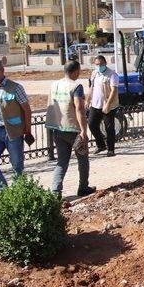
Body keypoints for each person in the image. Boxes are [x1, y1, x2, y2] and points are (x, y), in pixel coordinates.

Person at [0, 59, 32, 191]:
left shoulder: (16, 88)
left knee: (17, 166)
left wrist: (28, 130)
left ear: (2, 71)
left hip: (13, 133)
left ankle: (17, 193)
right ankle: (2, 191)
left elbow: (27, 110)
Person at [46, 60, 94, 198]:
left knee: (62, 161)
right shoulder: (76, 86)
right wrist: (84, 130)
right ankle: (83, 187)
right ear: (75, 71)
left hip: (58, 129)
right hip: (73, 129)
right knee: (83, 159)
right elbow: (79, 108)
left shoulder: (54, 85)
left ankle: (55, 191)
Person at [87, 55, 119, 157]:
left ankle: (111, 149)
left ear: (105, 63)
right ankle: (101, 144)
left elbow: (114, 90)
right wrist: (88, 99)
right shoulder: (95, 73)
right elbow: (92, 87)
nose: (99, 66)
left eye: (101, 64)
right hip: (95, 104)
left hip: (107, 105)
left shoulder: (112, 74)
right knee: (91, 124)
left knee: (109, 128)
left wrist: (108, 104)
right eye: (97, 64)